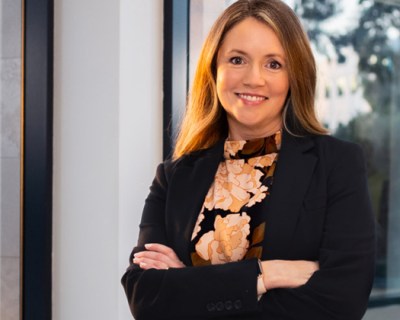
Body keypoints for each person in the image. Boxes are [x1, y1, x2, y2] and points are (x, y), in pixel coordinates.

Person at [121, 0, 376, 319]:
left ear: (294, 75)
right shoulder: (174, 177)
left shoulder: (336, 164)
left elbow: (343, 300)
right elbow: (146, 298)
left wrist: (187, 283)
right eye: (237, 59)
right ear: (215, 69)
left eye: (274, 64)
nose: (254, 79)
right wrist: (270, 275)